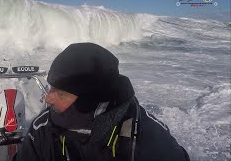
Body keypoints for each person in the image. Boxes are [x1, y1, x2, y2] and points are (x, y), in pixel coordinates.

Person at [17, 42, 190, 161]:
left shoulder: (149, 138)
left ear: (92, 101)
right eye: (51, 87)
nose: (48, 98)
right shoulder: (42, 129)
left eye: (61, 94)